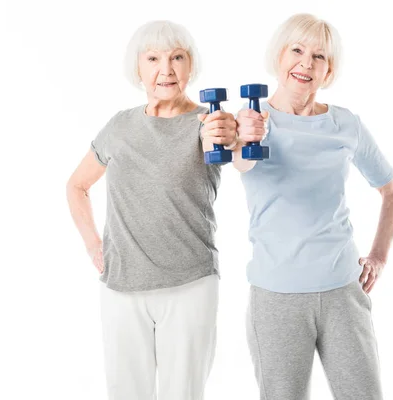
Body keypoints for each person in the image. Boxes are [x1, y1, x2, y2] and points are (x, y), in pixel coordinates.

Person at [230, 13, 393, 399]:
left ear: (329, 70)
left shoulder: (346, 125)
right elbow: (241, 161)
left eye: (319, 56)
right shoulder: (252, 121)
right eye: (297, 50)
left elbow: (392, 190)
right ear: (279, 56)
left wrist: (378, 255)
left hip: (343, 291)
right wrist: (244, 137)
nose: (306, 63)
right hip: (276, 299)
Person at [65, 20, 237, 400]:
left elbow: (237, 151)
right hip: (122, 286)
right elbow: (77, 186)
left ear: (190, 66)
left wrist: (234, 134)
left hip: (190, 283)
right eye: (154, 58)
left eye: (177, 57)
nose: (167, 69)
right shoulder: (119, 127)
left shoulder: (208, 123)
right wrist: (94, 244)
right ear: (138, 69)